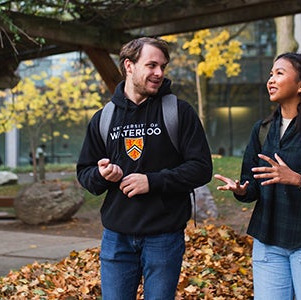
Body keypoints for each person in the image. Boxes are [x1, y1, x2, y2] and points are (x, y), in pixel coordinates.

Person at [76, 37, 212, 299]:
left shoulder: (179, 112)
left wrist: (152, 181)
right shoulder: (104, 117)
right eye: (151, 65)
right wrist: (102, 175)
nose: (159, 73)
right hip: (116, 238)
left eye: (163, 66)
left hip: (164, 236)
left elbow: (201, 168)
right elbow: (86, 174)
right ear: (129, 65)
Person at [214, 53, 301, 300]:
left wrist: (299, 180)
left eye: (279, 73)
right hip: (269, 239)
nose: (271, 80)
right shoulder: (263, 130)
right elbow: (253, 184)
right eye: (270, 74)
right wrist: (242, 190)